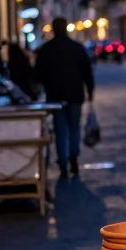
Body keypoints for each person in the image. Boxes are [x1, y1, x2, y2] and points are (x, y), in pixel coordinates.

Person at [34, 16, 95, 179]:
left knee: (60, 130)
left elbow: (38, 74)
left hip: (55, 96)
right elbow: (87, 72)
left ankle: (62, 163)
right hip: (75, 94)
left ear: (53, 29)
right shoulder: (76, 48)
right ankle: (74, 157)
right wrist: (90, 91)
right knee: (74, 127)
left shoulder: (46, 49)